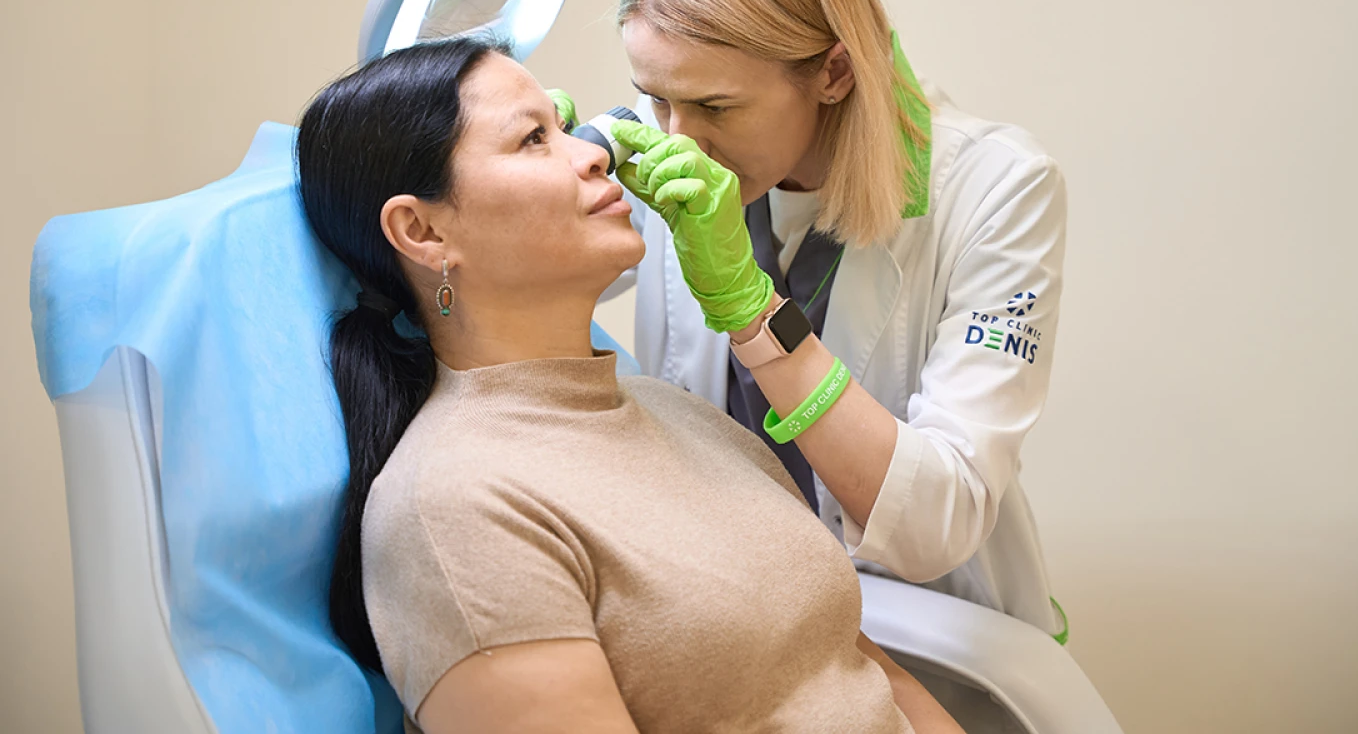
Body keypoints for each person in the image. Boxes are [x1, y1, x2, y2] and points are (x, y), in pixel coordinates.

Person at [296, 37, 962, 734]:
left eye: (563, 125)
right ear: (422, 231)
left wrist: (752, 306)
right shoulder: (456, 512)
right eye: (533, 138)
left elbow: (855, 666)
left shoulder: (675, 412)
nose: (595, 153)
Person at [554, 0, 1069, 650]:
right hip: (734, 620)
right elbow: (499, 288)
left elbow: (939, 520)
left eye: (716, 107)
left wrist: (753, 314)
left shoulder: (1000, 189)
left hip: (929, 634)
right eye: (655, 98)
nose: (680, 140)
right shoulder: (665, 148)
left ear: (832, 72)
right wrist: (515, 166)